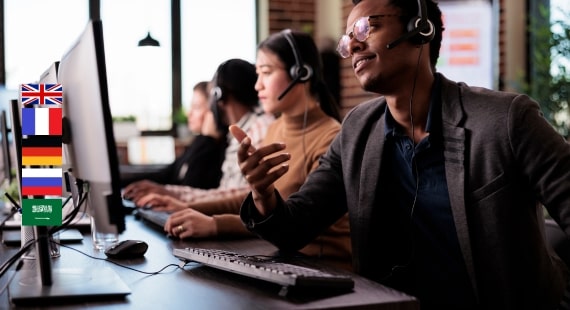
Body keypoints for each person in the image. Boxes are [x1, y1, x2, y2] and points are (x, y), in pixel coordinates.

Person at [230, 0, 570, 309]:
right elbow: (294, 228)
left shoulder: (506, 120)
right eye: (349, 39)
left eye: (367, 28)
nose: (354, 45)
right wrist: (262, 193)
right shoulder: (357, 130)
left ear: (420, 29)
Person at [143, 30, 352, 270]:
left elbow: (290, 220)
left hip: (323, 268)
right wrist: (187, 206)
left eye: (266, 72)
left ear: (300, 73)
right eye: (257, 74)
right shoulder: (276, 128)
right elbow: (255, 201)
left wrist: (214, 224)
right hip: (282, 256)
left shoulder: (331, 138)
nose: (257, 85)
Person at [124, 58, 274, 206]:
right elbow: (226, 193)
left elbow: (245, 200)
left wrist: (180, 202)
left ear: (218, 95)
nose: (210, 105)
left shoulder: (257, 130)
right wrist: (169, 193)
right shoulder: (238, 132)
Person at [121, 81, 227, 190]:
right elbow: (166, 174)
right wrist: (120, 182)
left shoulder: (215, 149)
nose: (188, 113)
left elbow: (191, 186)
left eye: (196, 107)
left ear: (214, 112)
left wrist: (208, 138)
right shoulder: (198, 142)